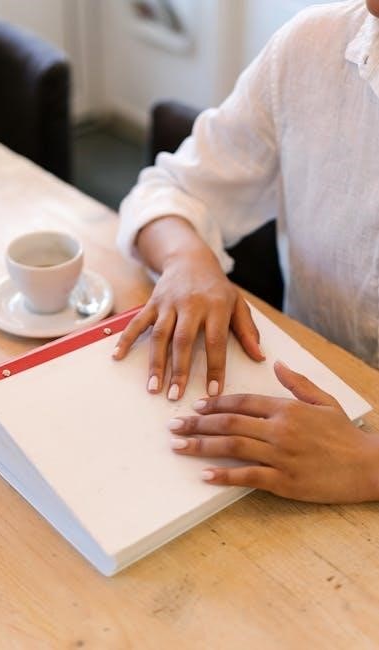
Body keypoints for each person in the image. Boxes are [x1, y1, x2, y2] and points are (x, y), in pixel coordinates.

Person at [115, 0, 379, 503]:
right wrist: (187, 259)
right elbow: (168, 191)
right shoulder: (311, 46)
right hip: (309, 398)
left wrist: (369, 466)